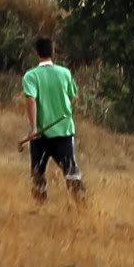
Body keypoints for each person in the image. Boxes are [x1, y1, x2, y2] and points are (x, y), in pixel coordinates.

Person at [20, 36, 85, 202]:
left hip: (40, 134)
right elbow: (72, 97)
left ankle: (39, 207)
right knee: (71, 171)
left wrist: (34, 128)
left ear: (36, 53)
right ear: (53, 52)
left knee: (37, 173)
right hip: (63, 131)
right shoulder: (65, 73)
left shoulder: (31, 76)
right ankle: (82, 206)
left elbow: (31, 100)